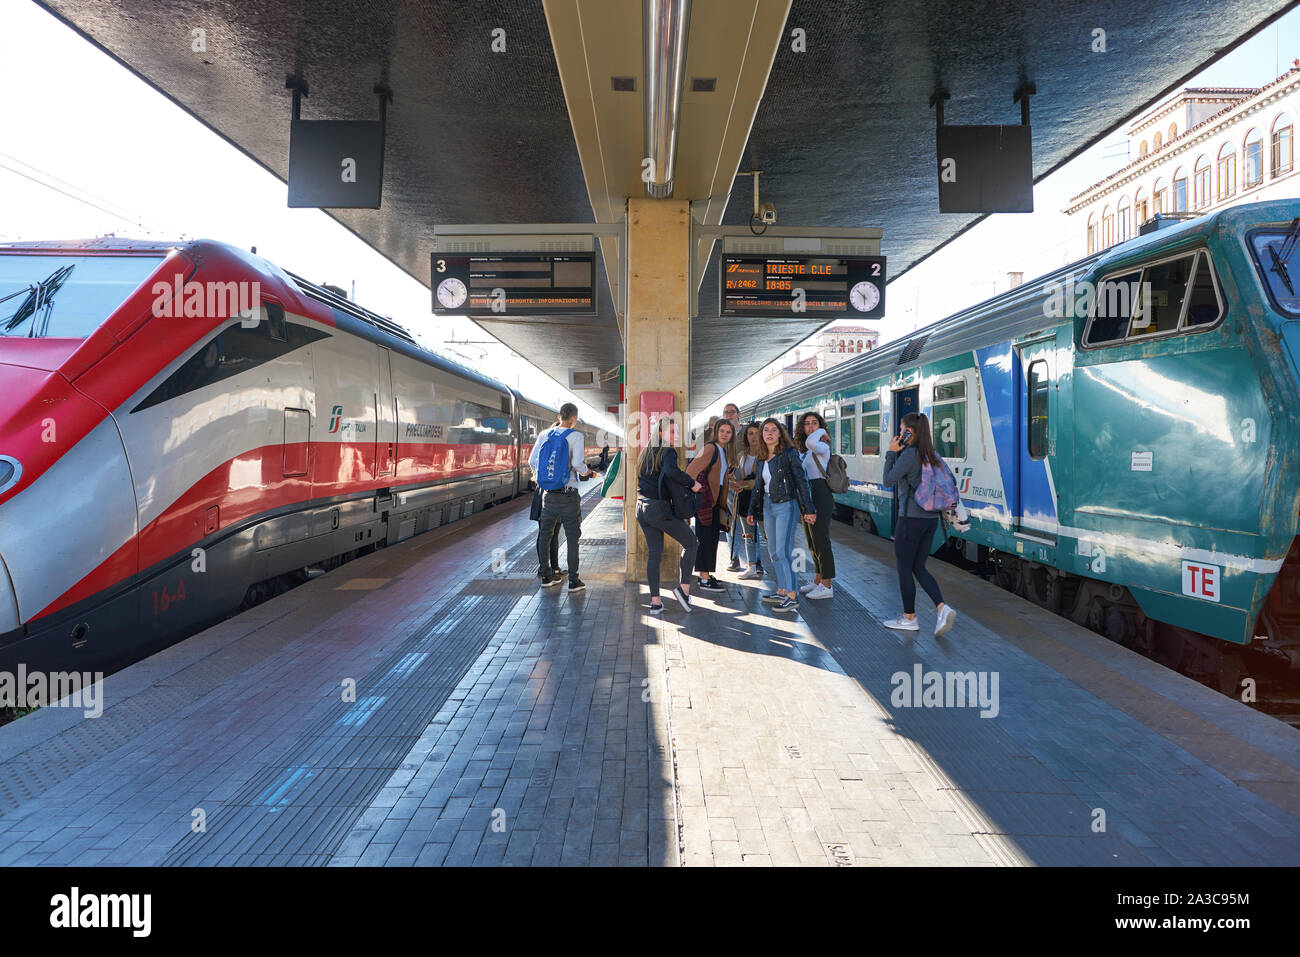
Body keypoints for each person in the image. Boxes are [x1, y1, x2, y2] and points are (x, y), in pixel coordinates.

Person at [881, 412, 958, 636]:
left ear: (909, 432)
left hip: (910, 520)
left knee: (904, 568)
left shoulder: (909, 455)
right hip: (930, 520)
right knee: (919, 567)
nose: (899, 433)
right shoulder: (932, 455)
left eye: (902, 428)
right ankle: (942, 608)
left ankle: (909, 618)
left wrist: (890, 453)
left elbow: (887, 480)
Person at [635, 416, 704, 613]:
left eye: (677, 432)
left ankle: (655, 602)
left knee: (654, 555)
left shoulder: (645, 452)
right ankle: (683, 591)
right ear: (660, 433)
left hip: (642, 508)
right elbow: (671, 472)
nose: (676, 435)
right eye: (672, 432)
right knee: (692, 543)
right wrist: (693, 484)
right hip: (658, 509)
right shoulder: (668, 451)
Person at [747, 418, 816, 613]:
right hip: (769, 505)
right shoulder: (762, 457)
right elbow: (758, 488)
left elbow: (802, 482)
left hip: (787, 505)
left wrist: (808, 509)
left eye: (773, 430)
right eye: (765, 430)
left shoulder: (788, 453)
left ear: (780, 433)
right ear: (762, 434)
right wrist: (752, 510)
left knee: (784, 551)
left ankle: (792, 596)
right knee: (774, 552)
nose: (769, 433)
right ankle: (782, 590)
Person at [531, 403, 596, 592]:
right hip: (568, 495)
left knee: (545, 536)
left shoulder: (544, 434)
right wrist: (588, 472)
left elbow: (532, 460)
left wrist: (544, 478)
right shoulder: (576, 436)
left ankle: (546, 576)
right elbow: (577, 464)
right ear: (574, 418)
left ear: (559, 417)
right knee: (572, 537)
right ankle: (574, 581)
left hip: (548, 496)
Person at [686, 418, 735, 592]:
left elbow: (718, 477)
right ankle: (704, 579)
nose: (724, 434)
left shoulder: (723, 451)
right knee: (705, 539)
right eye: (722, 431)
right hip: (706, 502)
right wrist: (697, 488)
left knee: (711, 539)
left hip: (714, 503)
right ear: (716, 432)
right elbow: (690, 471)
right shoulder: (710, 448)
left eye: (728, 432)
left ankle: (705, 574)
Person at [796, 411, 837, 600]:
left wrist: (820, 431)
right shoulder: (804, 450)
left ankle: (827, 585)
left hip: (820, 492)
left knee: (821, 539)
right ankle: (818, 579)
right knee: (812, 541)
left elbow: (811, 442)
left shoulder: (821, 446)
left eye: (815, 423)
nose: (810, 427)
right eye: (807, 424)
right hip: (807, 494)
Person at [733, 421, 766, 580]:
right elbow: (739, 476)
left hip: (762, 500)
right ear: (746, 436)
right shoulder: (741, 455)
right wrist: (734, 482)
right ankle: (751, 566)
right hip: (745, 499)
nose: (753, 437)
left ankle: (775, 567)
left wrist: (743, 483)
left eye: (756, 433)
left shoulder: (766, 456)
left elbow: (761, 481)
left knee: (768, 536)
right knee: (748, 535)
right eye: (750, 433)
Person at [531, 417, 562, 579]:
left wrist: (539, 476)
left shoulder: (544, 444)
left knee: (547, 533)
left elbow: (531, 461)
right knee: (551, 533)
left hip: (542, 489)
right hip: (554, 491)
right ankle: (547, 569)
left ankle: (550, 568)